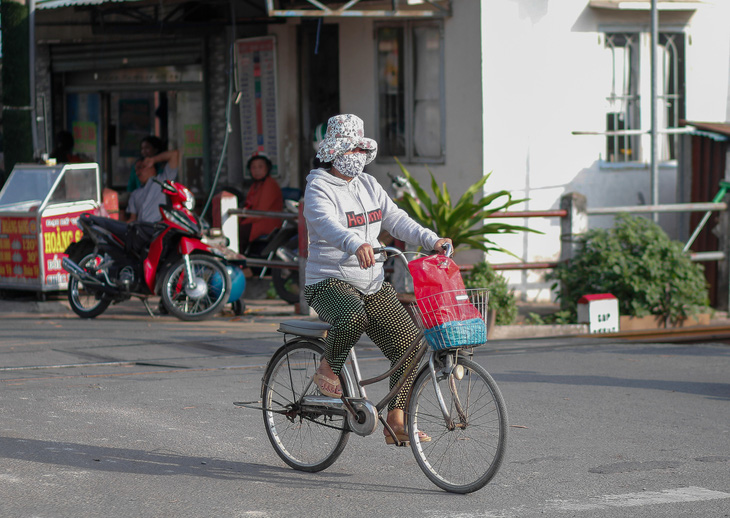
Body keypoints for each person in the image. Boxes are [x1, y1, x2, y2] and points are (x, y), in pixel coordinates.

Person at [302, 114, 452, 445]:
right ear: (335, 151)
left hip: (372, 283)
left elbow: (396, 219)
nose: (357, 154)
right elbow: (327, 224)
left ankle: (396, 421)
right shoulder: (319, 187)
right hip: (328, 282)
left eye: (361, 148)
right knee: (353, 315)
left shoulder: (370, 185)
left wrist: (431, 240)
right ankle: (328, 366)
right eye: (351, 147)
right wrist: (355, 243)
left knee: (409, 345)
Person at [238, 152, 283, 253]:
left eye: (260, 166)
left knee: (238, 232)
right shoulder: (255, 185)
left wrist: (241, 221)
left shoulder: (270, 184)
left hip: (265, 224)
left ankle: (242, 266)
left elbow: (260, 212)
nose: (257, 170)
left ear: (267, 168)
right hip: (255, 222)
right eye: (253, 167)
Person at [126, 148, 179, 223]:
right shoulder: (135, 194)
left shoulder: (163, 180)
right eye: (136, 170)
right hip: (142, 229)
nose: (138, 172)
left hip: (159, 228)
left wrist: (153, 159)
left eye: (141, 167)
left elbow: (174, 155)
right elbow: (133, 218)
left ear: (152, 167)